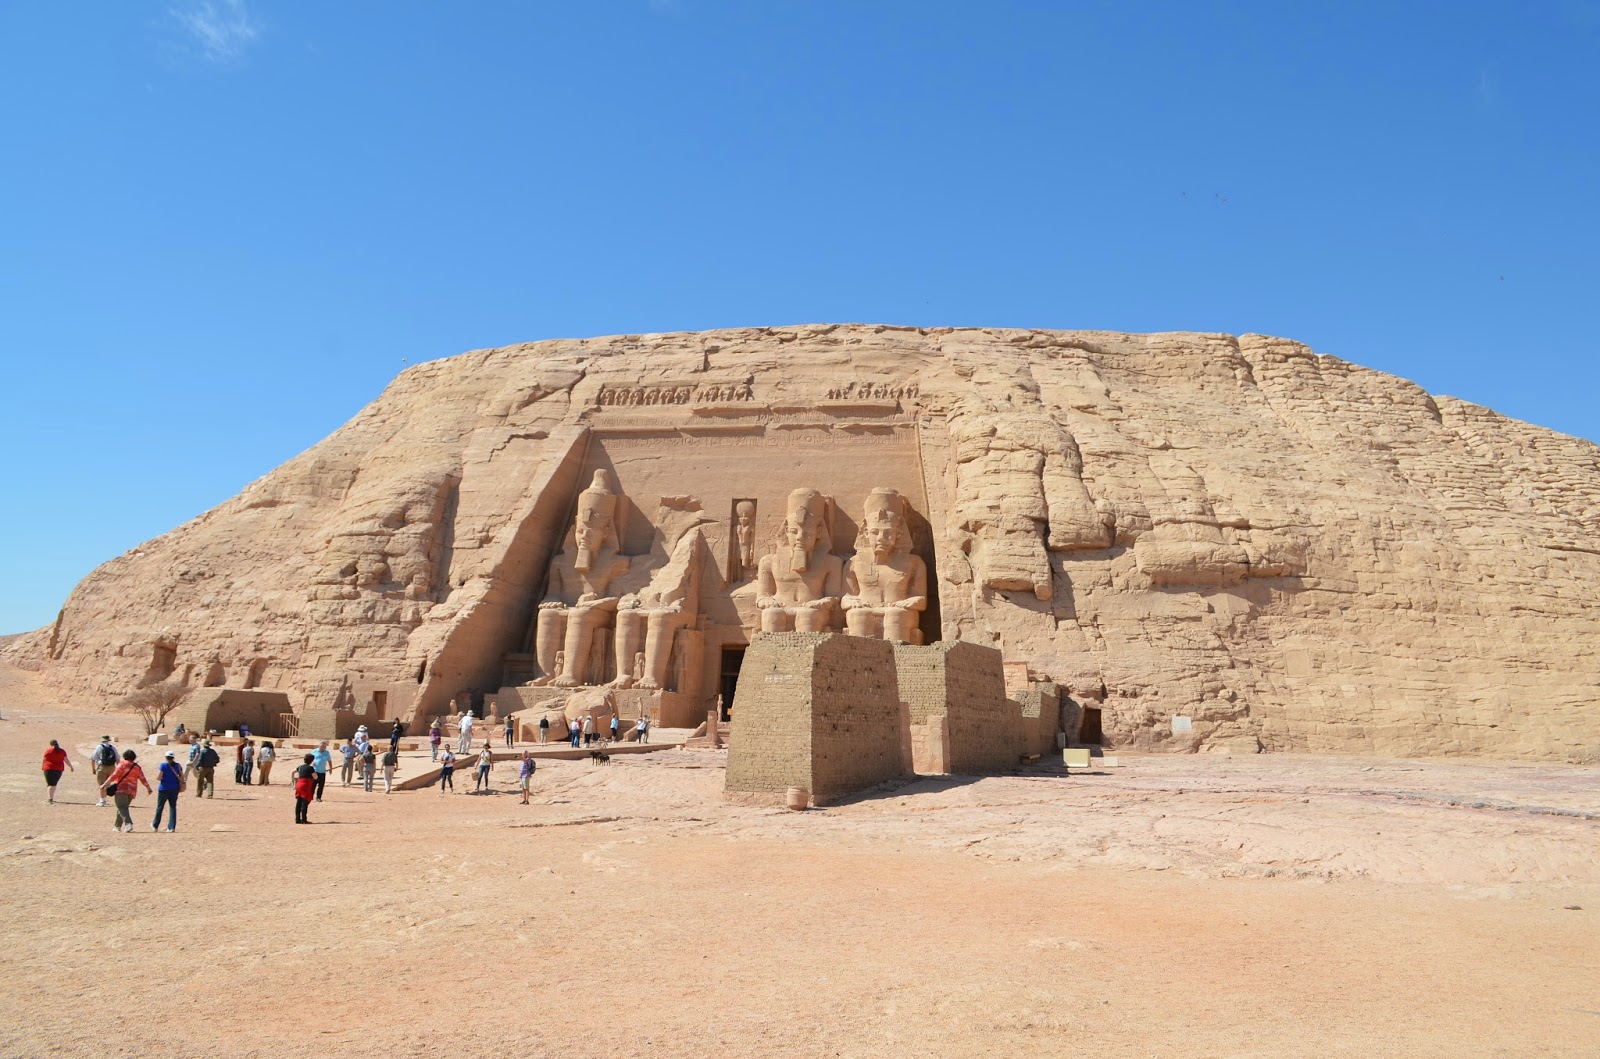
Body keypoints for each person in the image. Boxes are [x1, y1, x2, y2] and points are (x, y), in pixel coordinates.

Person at [105, 749, 152, 833]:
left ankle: (128, 824)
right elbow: (142, 778)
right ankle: (117, 826)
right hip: (132, 790)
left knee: (121, 807)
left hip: (121, 789)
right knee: (123, 808)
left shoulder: (122, 764)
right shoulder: (137, 767)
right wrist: (148, 788)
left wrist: (104, 784)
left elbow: (114, 775)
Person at [152, 750, 183, 832]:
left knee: (160, 807)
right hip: (174, 789)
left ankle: (155, 825)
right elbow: (182, 776)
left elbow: (158, 777)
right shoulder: (178, 765)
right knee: (173, 807)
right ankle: (171, 827)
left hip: (163, 788)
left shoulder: (163, 765)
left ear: (166, 757)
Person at [41, 739, 74, 804]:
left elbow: (44, 759)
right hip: (59, 769)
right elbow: (66, 760)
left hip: (49, 768)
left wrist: (43, 766)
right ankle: (51, 797)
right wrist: (71, 766)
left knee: (50, 784)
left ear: (51, 744)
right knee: (54, 784)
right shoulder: (62, 751)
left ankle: (50, 798)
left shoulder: (48, 750)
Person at [90, 735, 119, 807]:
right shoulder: (112, 747)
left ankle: (102, 801)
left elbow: (93, 759)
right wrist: (118, 769)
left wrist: (93, 769)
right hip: (112, 767)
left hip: (102, 767)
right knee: (108, 784)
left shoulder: (99, 747)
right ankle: (104, 799)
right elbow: (117, 759)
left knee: (102, 784)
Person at [293, 754, 316, 823]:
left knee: (298, 802)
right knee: (304, 802)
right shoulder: (310, 768)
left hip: (299, 784)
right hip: (305, 785)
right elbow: (315, 777)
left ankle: (297, 819)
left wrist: (293, 782)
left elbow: (293, 772)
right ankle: (304, 819)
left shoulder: (300, 767)